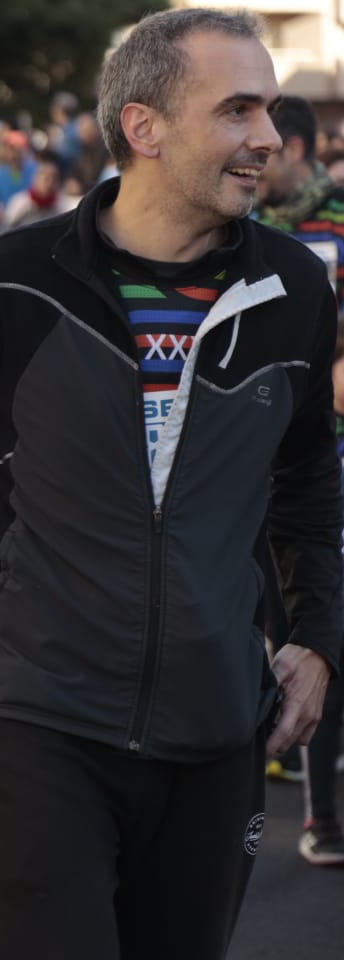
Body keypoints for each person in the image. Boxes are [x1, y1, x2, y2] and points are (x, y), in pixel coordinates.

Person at [0, 9, 342, 957]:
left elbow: (310, 483)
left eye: (270, 110)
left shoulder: (292, 288)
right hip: (41, 720)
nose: (269, 139)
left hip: (215, 731)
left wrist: (319, 639)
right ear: (144, 126)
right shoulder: (11, 280)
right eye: (238, 109)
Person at [255, 95, 344, 865]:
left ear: (298, 149)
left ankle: (323, 816)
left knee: (320, 619)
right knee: (271, 617)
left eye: (267, 148)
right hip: (253, 448)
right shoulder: (244, 222)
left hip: (325, 449)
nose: (253, 159)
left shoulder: (339, 215)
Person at [257, 95, 344, 303]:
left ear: (293, 150)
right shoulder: (246, 218)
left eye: (262, 152)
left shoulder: (339, 213)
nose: (251, 164)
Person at [0, 149, 71, 231]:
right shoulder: (20, 202)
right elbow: (5, 231)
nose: (50, 182)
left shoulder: (62, 207)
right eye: (46, 178)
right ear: (35, 178)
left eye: (54, 178)